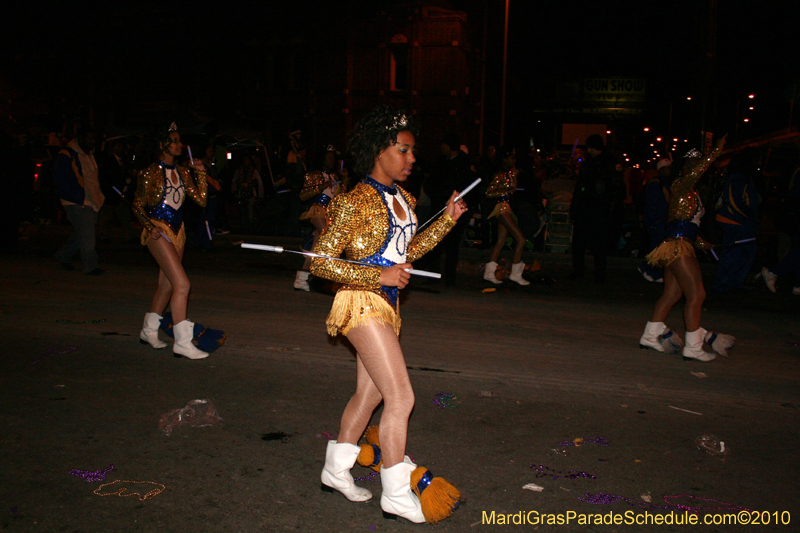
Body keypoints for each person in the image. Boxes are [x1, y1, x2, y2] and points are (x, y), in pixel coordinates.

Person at [310, 105, 465, 524]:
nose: (412, 159)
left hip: (388, 306)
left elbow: (407, 252)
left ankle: (335, 468)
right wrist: (380, 274)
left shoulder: (405, 199)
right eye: (404, 150)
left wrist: (447, 220)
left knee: (372, 393)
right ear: (380, 151)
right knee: (402, 396)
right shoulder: (351, 201)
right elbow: (320, 263)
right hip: (359, 302)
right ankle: (396, 493)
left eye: (412, 152)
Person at [639, 136, 735, 362]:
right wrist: (715, 153)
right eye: (692, 164)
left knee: (672, 293)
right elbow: (680, 227)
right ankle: (693, 347)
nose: (696, 168)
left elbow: (685, 224)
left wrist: (703, 243)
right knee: (697, 294)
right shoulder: (681, 184)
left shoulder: (691, 192)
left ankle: (650, 336)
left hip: (677, 244)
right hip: (678, 247)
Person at [132, 122, 211, 360]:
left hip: (178, 232)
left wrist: (200, 172)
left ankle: (148, 332)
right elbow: (137, 206)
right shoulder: (149, 172)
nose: (179, 145)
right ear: (162, 145)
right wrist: (149, 227)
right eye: (174, 141)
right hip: (159, 231)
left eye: (179, 140)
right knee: (183, 285)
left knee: (167, 286)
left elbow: (201, 201)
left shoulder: (184, 172)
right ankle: (183, 342)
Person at [569, 134, 623, 282]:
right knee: (592, 243)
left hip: (595, 208)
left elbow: (613, 188)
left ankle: (589, 271)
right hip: (594, 209)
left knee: (590, 242)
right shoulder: (601, 163)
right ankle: (593, 271)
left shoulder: (603, 164)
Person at [422, 134, 474, 286]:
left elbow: (467, 186)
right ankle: (431, 276)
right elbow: (430, 182)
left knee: (452, 245)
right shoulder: (440, 162)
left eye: (444, 144)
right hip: (438, 207)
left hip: (455, 211)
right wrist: (438, 196)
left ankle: (450, 278)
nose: (442, 148)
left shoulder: (463, 163)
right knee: (434, 242)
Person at [54, 126, 105, 275]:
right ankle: (90, 266)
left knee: (81, 234)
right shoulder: (66, 155)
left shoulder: (90, 155)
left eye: (93, 138)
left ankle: (63, 256)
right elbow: (59, 179)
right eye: (89, 138)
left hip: (91, 200)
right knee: (87, 234)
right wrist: (75, 196)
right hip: (77, 202)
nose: (92, 141)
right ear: (80, 138)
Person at [294, 145, 344, 291]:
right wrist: (320, 187)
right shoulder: (314, 175)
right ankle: (336, 276)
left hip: (329, 212)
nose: (331, 160)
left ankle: (301, 279)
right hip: (317, 209)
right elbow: (303, 195)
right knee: (329, 238)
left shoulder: (335, 176)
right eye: (328, 157)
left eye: (333, 158)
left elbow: (340, 197)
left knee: (315, 249)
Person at [712, 148, 759, 293]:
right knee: (735, 253)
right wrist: (747, 214)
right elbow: (734, 200)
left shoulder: (741, 177)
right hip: (735, 220)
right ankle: (726, 284)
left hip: (737, 220)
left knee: (741, 253)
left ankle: (732, 283)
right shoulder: (738, 177)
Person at [483, 146, 531, 286]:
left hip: (506, 207)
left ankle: (489, 273)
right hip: (501, 207)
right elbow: (489, 192)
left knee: (501, 241)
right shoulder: (500, 174)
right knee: (521, 239)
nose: (513, 160)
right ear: (504, 159)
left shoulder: (510, 173)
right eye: (511, 157)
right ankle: (515, 274)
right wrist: (506, 190)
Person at [762, 160, 800, 295]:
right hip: (795, 214)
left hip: (793, 214)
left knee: (797, 248)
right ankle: (774, 271)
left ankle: (797, 284)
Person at [638, 156, 673, 283]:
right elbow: (652, 203)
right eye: (668, 168)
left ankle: (651, 269)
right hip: (656, 219)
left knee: (658, 246)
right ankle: (648, 268)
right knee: (656, 246)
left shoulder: (666, 184)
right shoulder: (656, 183)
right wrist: (652, 220)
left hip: (662, 220)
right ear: (662, 170)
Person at [231, 154, 263, 234]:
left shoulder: (253, 171)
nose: (246, 162)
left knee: (250, 212)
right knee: (243, 212)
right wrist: (234, 191)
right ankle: (244, 228)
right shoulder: (239, 171)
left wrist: (260, 195)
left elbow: (259, 183)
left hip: (251, 194)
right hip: (242, 194)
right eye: (244, 160)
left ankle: (251, 229)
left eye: (247, 160)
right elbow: (234, 181)